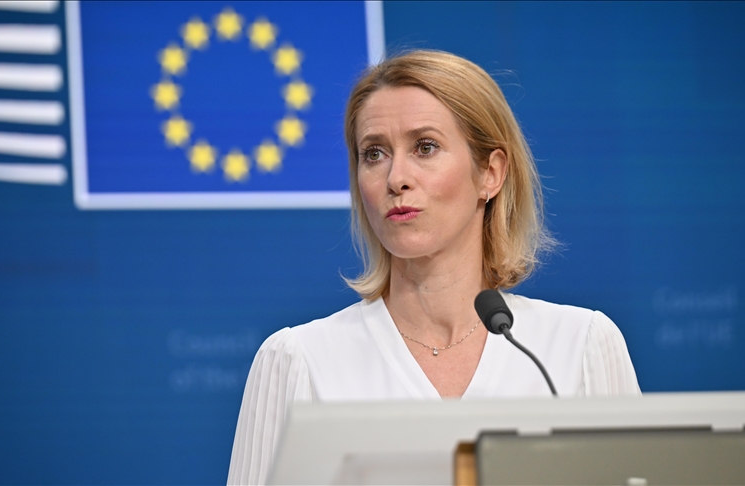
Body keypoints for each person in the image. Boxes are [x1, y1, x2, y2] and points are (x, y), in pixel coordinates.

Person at [227, 50, 639, 485]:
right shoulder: (300, 360)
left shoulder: (578, 348)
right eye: (374, 154)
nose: (395, 179)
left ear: (490, 173)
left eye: (425, 147)